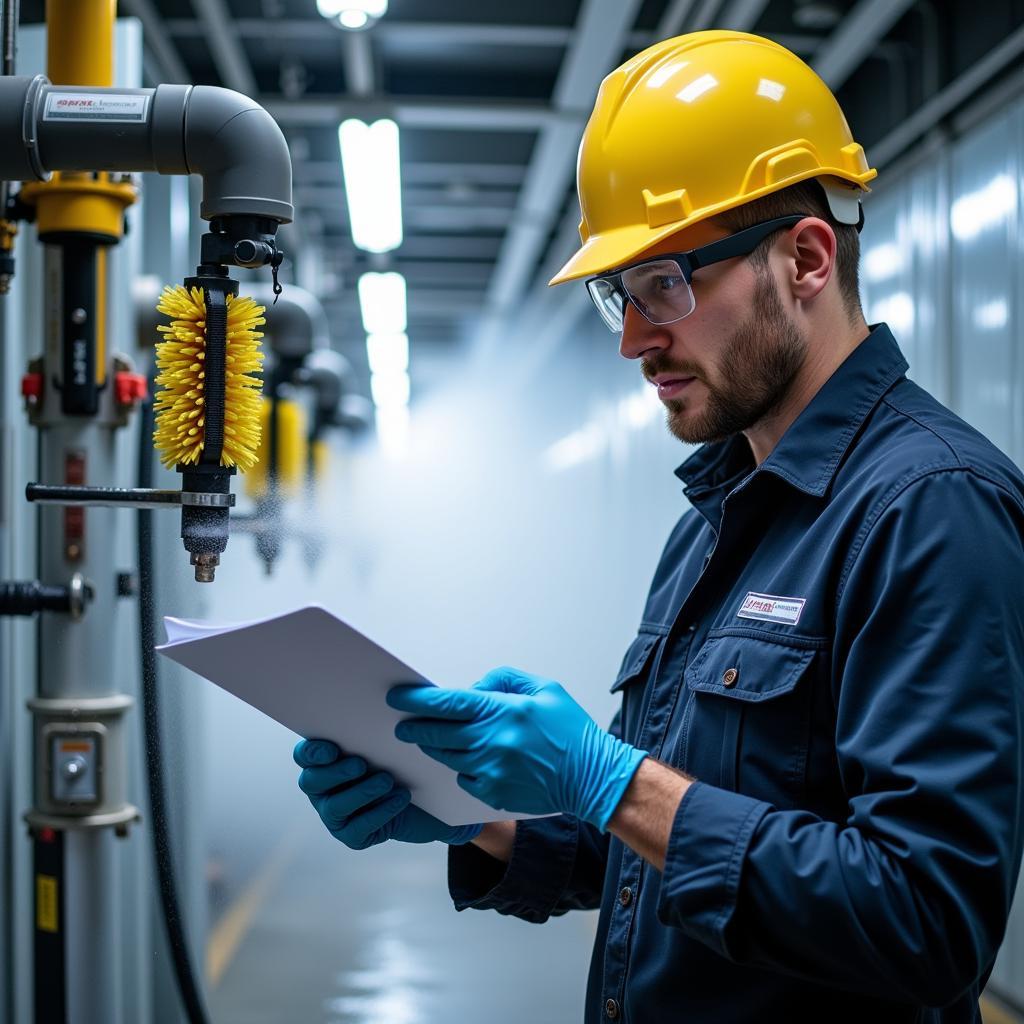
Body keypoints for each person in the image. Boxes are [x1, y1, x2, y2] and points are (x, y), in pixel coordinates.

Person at [294, 30, 1024, 1023]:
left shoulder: (930, 507)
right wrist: (473, 815)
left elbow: (925, 920)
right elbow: (651, 852)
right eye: (620, 297)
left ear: (804, 259)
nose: (636, 340)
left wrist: (608, 778)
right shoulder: (716, 518)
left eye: (665, 286)